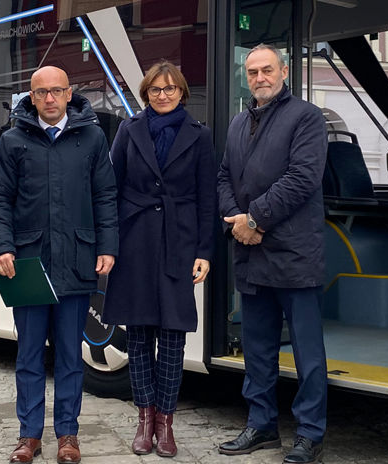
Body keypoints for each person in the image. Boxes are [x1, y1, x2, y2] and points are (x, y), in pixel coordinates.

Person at [0, 65, 119, 464]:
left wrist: (107, 246)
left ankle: (68, 435)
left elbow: (105, 197)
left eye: (56, 91)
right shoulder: (12, 141)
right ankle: (29, 436)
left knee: (69, 357)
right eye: (41, 92)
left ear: (68, 94)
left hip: (77, 261)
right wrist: (1, 246)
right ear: (31, 97)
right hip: (27, 264)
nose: (48, 99)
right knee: (28, 356)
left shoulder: (92, 138)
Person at [216, 44, 328, 464]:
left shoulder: (306, 117)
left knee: (307, 353)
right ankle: (261, 425)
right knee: (257, 348)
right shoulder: (238, 122)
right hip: (251, 253)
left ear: (284, 71)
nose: (260, 77)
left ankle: (310, 434)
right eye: (252, 72)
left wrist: (255, 220)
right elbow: (225, 176)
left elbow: (302, 179)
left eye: (267, 70)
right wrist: (235, 219)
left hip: (294, 254)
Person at [102, 61, 215, 457]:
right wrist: (109, 245)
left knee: (171, 336)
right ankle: (143, 418)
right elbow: (111, 190)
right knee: (137, 336)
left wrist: (204, 251)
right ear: (145, 92)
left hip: (178, 241)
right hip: (134, 240)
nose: (162, 95)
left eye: (169, 89)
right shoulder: (129, 130)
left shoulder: (200, 136)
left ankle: (166, 422)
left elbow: (207, 198)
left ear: (182, 92)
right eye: (155, 89)